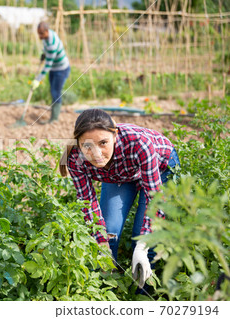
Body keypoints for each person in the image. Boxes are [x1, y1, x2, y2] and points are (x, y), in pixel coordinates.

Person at [59, 109, 180, 289]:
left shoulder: (140, 143)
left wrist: (142, 247)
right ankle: (109, 289)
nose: (97, 153)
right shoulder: (75, 158)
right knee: (109, 232)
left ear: (115, 135)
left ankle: (142, 295)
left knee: (143, 239)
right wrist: (101, 246)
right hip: (120, 173)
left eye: (103, 143)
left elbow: (155, 199)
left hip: (160, 165)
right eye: (87, 146)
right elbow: (88, 201)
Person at [32, 22, 70, 124]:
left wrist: (38, 79)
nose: (40, 36)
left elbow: (48, 65)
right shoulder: (47, 37)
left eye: (41, 34)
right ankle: (53, 117)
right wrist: (43, 54)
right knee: (53, 91)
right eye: (38, 33)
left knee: (55, 92)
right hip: (54, 68)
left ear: (47, 31)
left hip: (61, 69)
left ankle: (54, 119)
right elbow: (45, 48)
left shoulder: (53, 44)